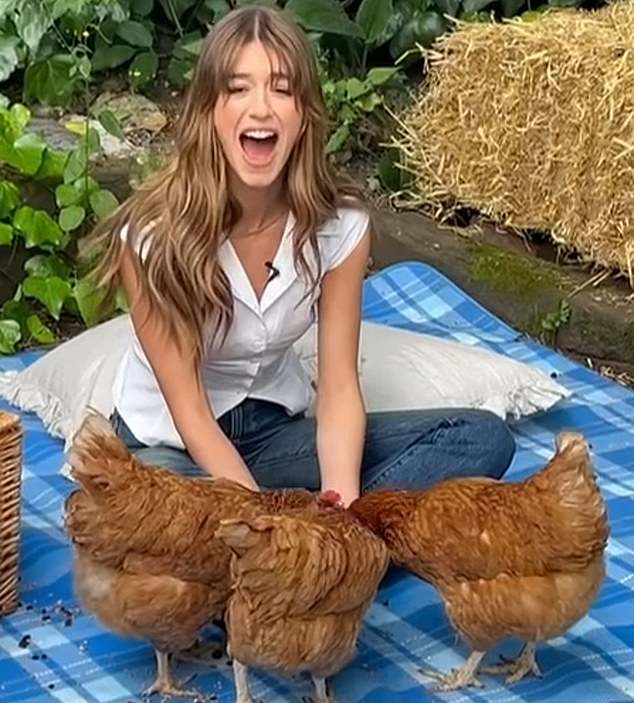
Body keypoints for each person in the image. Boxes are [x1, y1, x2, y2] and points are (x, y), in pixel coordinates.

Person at [86, 5, 515, 508]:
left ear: (303, 114)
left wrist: (343, 509)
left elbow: (337, 390)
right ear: (208, 110)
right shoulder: (153, 236)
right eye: (239, 88)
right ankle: (298, 544)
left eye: (282, 88)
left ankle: (327, 547)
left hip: (274, 436)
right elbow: (191, 414)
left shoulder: (341, 228)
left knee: (477, 438)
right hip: (173, 447)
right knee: (156, 523)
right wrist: (268, 526)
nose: (261, 109)